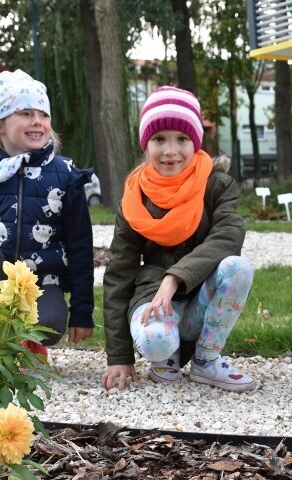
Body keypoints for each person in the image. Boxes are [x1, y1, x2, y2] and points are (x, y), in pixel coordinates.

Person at [101, 86, 256, 393]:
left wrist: (174, 278)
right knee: (155, 340)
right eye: (159, 139)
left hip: (200, 300)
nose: (170, 150)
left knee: (237, 267)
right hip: (153, 302)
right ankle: (164, 362)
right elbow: (118, 274)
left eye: (181, 139)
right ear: (146, 144)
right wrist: (119, 356)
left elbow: (228, 236)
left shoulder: (217, 185)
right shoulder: (135, 198)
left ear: (195, 143)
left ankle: (206, 361)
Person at [0, 69, 94, 357]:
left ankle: (29, 343)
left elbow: (80, 246)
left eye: (43, 114)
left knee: (50, 325)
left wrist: (82, 311)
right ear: (0, 124)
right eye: (26, 113)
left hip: (43, 281)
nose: (37, 121)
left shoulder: (64, 175)